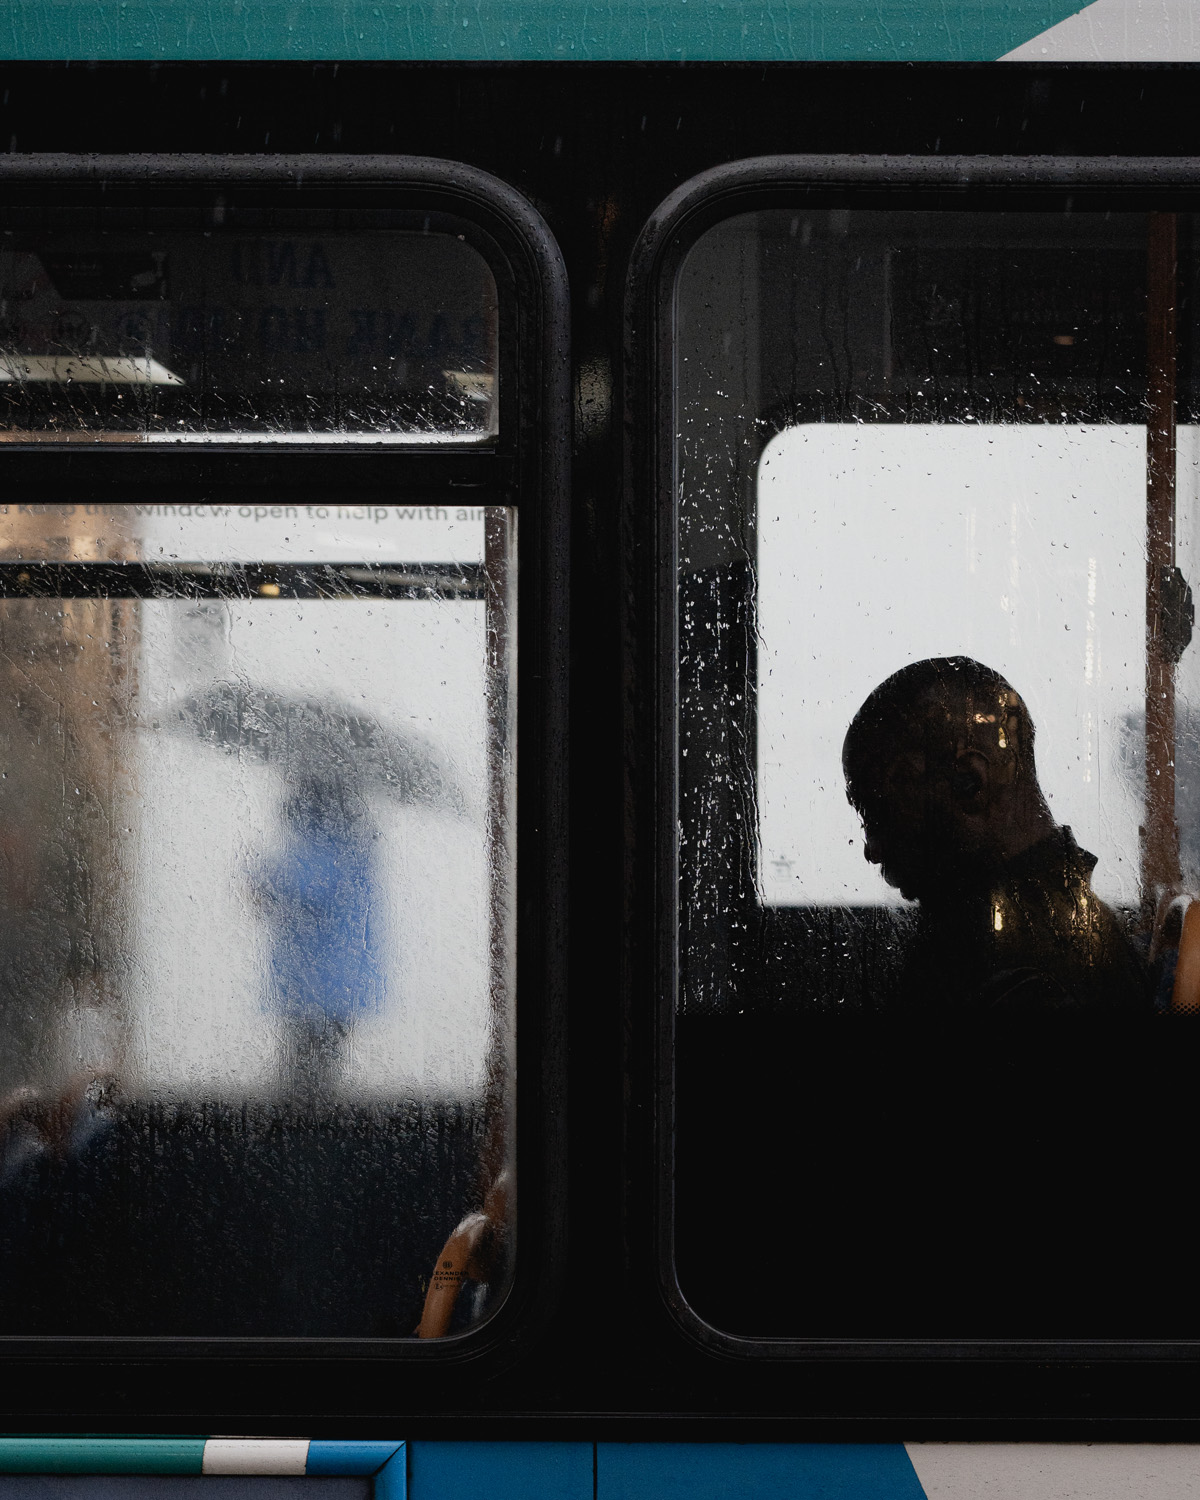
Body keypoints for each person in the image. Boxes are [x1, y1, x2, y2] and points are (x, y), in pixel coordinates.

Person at [842, 656, 1151, 1014]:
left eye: (882, 813)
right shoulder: (1057, 930)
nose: (872, 850)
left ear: (970, 782)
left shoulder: (1016, 975)